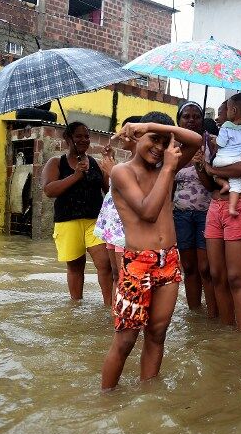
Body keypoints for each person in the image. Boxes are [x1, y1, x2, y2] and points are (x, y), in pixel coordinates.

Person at [100, 112, 202, 390]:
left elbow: (196, 139)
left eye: (165, 141)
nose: (158, 147)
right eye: (152, 140)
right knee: (125, 340)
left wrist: (152, 127)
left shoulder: (164, 167)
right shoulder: (123, 172)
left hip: (168, 261)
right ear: (136, 138)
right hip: (137, 265)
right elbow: (147, 211)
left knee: (157, 334)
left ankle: (148, 396)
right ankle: (106, 400)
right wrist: (169, 169)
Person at [42, 121, 113, 306]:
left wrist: (109, 168)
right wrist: (75, 176)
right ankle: (76, 306)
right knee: (75, 266)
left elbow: (108, 191)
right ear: (67, 138)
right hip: (67, 222)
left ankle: (110, 307)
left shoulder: (95, 163)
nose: (84, 140)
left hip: (95, 222)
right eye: (78, 136)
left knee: (105, 264)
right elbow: (49, 190)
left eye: (87, 136)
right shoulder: (56, 162)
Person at [203, 131, 241, 333]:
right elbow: (208, 182)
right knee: (216, 274)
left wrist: (213, 168)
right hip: (215, 205)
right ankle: (227, 333)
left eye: (225, 111)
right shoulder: (218, 142)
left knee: (236, 276)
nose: (222, 118)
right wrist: (201, 165)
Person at [173, 102, 218, 317]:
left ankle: (212, 315)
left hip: (206, 213)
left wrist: (201, 166)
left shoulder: (212, 144)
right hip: (180, 214)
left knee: (205, 268)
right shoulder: (171, 148)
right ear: (178, 121)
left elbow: (211, 186)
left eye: (196, 116)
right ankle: (194, 314)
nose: (191, 120)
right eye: (186, 117)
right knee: (189, 268)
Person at [94, 116, 142, 298]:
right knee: (117, 275)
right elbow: (112, 189)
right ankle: (115, 318)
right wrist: (110, 164)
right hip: (113, 227)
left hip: (125, 228)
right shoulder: (127, 162)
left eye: (124, 132)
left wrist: (113, 170)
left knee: (126, 277)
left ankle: (126, 318)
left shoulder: (144, 164)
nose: (120, 136)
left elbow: (135, 194)